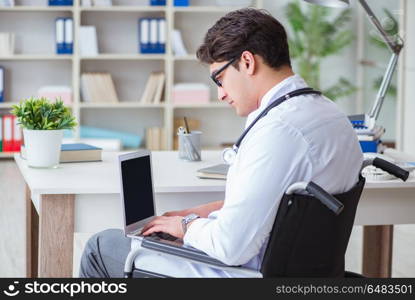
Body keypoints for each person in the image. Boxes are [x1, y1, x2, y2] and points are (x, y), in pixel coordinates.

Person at [79, 8, 363, 278]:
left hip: (241, 272)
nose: (221, 94)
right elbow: (280, 207)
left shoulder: (277, 131)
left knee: (101, 247)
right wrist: (195, 214)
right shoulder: (331, 115)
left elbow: (230, 246)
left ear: (248, 62)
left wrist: (186, 226)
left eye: (220, 78)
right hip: (301, 271)